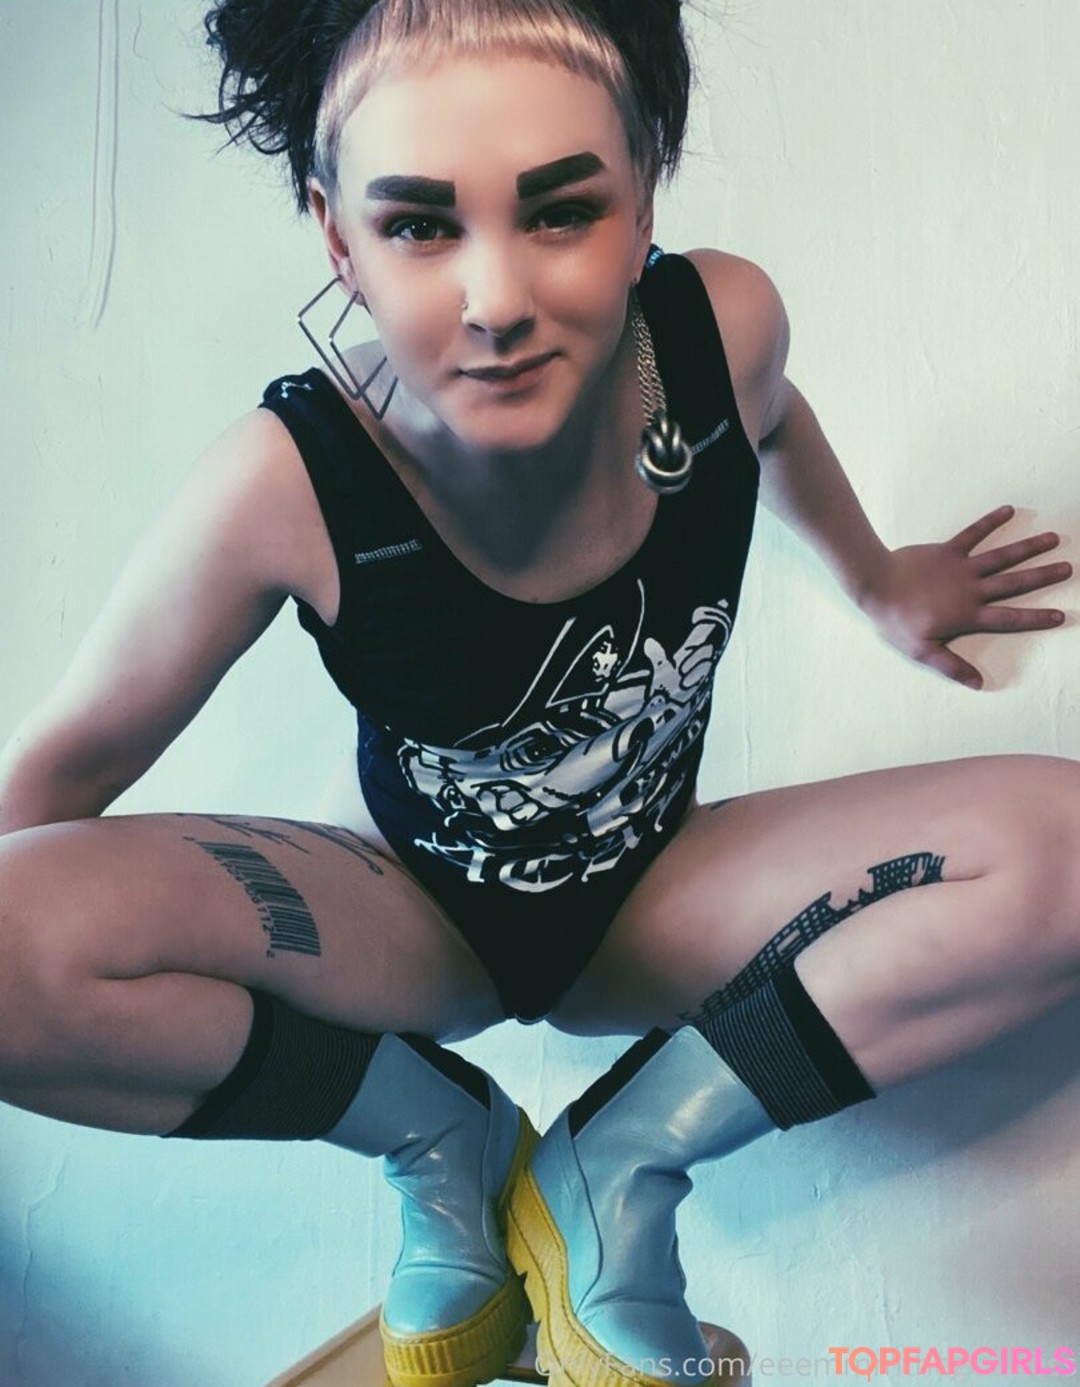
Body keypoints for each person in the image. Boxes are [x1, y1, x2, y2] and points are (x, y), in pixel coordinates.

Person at [0, 1, 1075, 1385]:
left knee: (1068, 850)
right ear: (337, 238)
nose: (496, 299)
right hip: (409, 921)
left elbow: (769, 416)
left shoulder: (719, 330)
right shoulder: (284, 484)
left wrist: (879, 581)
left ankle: (621, 1162)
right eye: (419, 225)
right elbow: (58, 780)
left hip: (660, 893)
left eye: (562, 211)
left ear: (644, 201)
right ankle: (438, 1139)